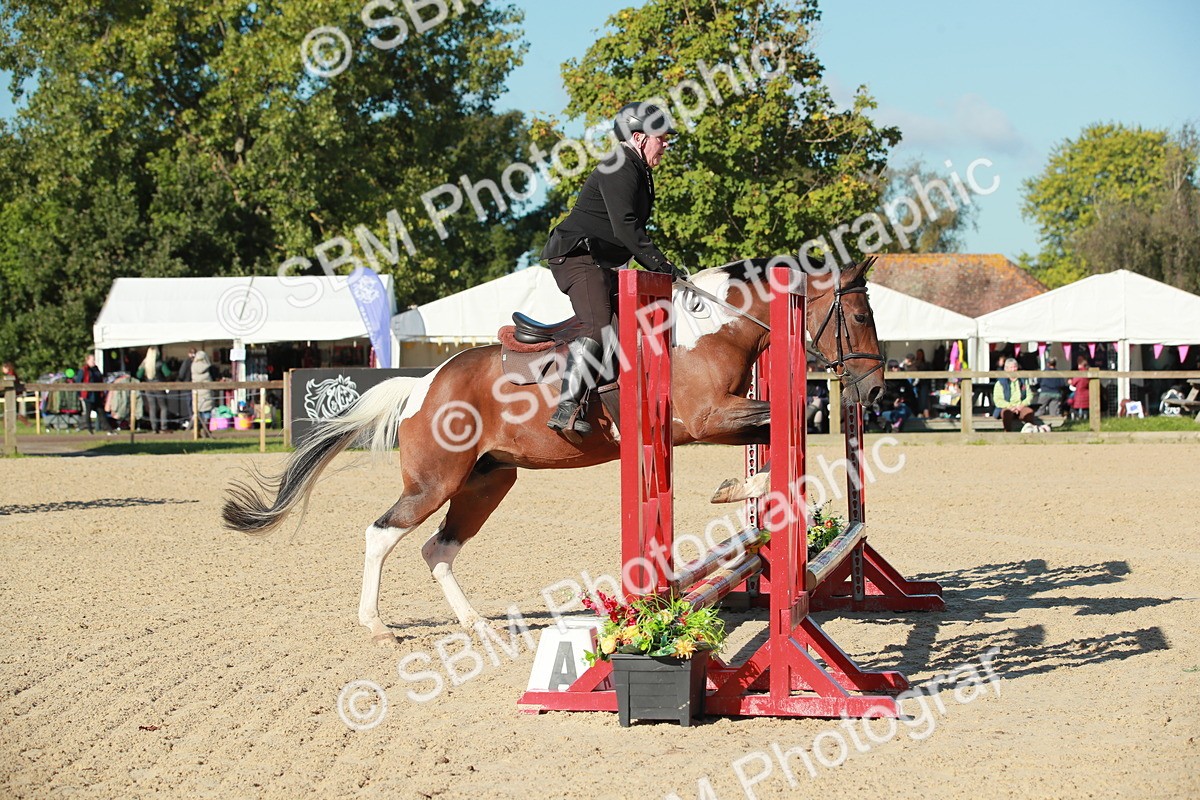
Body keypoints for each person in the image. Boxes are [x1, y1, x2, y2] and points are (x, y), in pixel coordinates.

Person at [541, 101, 683, 441]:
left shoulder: (637, 168)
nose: (665, 145)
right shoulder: (618, 166)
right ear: (639, 136)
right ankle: (566, 408)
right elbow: (625, 228)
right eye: (661, 138)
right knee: (597, 326)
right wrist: (664, 267)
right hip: (577, 257)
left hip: (600, 262)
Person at [992, 357, 1048, 432]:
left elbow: (1030, 395)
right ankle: (1007, 433)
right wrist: (1010, 406)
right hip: (1007, 407)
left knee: (1029, 412)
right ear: (1006, 369)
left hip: (1020, 406)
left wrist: (1021, 405)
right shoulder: (1000, 383)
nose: (1013, 369)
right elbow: (997, 400)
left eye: (1015, 367)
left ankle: (1030, 433)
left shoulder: (1023, 381)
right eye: (1011, 367)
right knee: (1006, 413)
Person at [135, 345, 171, 433]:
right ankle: (164, 427)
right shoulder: (160, 363)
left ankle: (154, 428)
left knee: (152, 407)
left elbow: (138, 375)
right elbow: (167, 373)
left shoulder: (145, 363)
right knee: (163, 407)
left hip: (148, 387)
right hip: (159, 386)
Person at [80, 353, 113, 434]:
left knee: (101, 412)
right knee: (88, 413)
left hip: (97, 395)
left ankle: (108, 429)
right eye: (92, 360)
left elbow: (100, 379)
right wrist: (80, 394)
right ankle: (89, 430)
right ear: (87, 360)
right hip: (88, 395)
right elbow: (79, 381)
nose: (94, 362)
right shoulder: (84, 370)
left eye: (94, 360)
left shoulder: (96, 369)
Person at [878, 360, 914, 432]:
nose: (894, 369)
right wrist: (893, 405)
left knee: (903, 410)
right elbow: (881, 401)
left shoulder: (904, 381)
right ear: (888, 369)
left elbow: (911, 397)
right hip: (888, 410)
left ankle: (895, 426)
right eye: (891, 367)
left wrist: (903, 401)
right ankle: (894, 426)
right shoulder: (883, 383)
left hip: (903, 408)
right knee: (891, 415)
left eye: (896, 367)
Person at [191, 349, 216, 438]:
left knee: (198, 412)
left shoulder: (193, 366)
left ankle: (196, 432)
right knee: (207, 412)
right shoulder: (208, 367)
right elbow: (214, 377)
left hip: (196, 391)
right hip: (206, 392)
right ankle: (206, 432)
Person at [1068, 355, 1091, 420]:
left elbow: (1073, 382)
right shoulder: (1088, 372)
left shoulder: (1079, 373)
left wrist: (1071, 381)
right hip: (1087, 392)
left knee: (1072, 400)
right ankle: (1085, 418)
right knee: (1085, 407)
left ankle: (1076, 417)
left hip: (1079, 392)